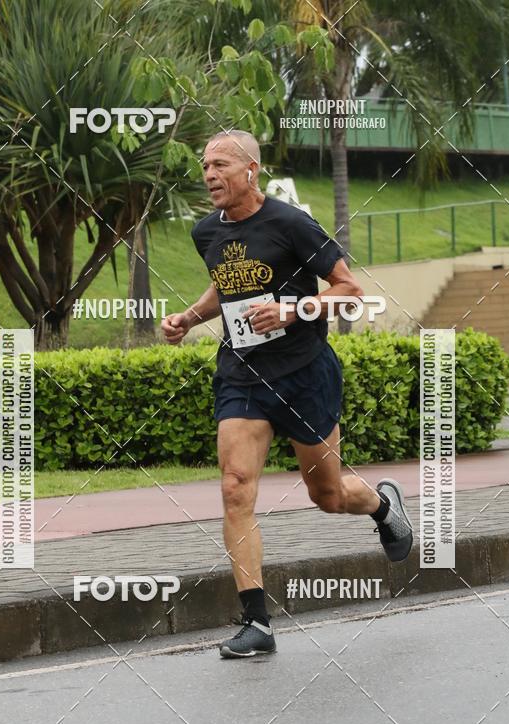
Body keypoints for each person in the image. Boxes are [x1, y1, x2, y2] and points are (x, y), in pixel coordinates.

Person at [161, 130, 413, 659]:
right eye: (205, 165)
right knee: (234, 487)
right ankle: (257, 622)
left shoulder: (291, 223)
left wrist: (293, 309)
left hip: (304, 373)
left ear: (251, 170)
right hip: (242, 373)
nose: (210, 174)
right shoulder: (206, 232)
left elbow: (350, 291)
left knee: (327, 495)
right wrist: (189, 317)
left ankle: (382, 506)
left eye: (221, 165)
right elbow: (224, 286)